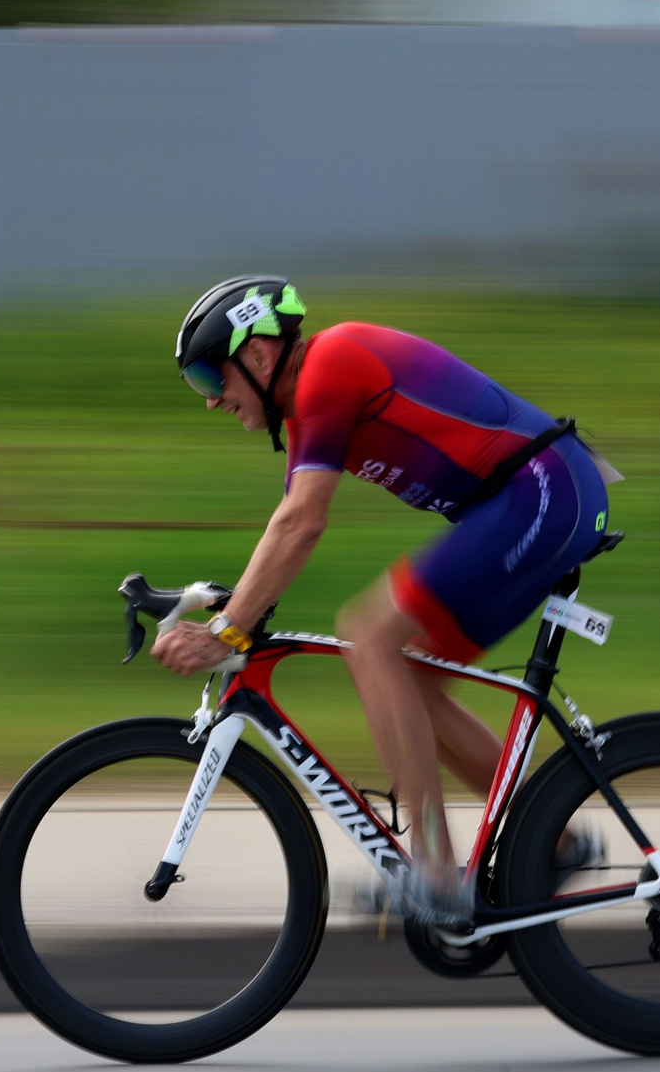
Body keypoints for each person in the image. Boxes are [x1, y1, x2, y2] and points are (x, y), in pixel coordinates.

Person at [152, 276, 613, 926]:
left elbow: (302, 524)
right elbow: (289, 522)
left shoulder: (330, 366)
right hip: (535, 497)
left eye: (209, 375)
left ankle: (432, 873)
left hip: (542, 492)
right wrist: (235, 610)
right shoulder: (308, 401)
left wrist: (226, 631)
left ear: (257, 354)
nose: (210, 399)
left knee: (369, 636)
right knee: (413, 675)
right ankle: (556, 844)